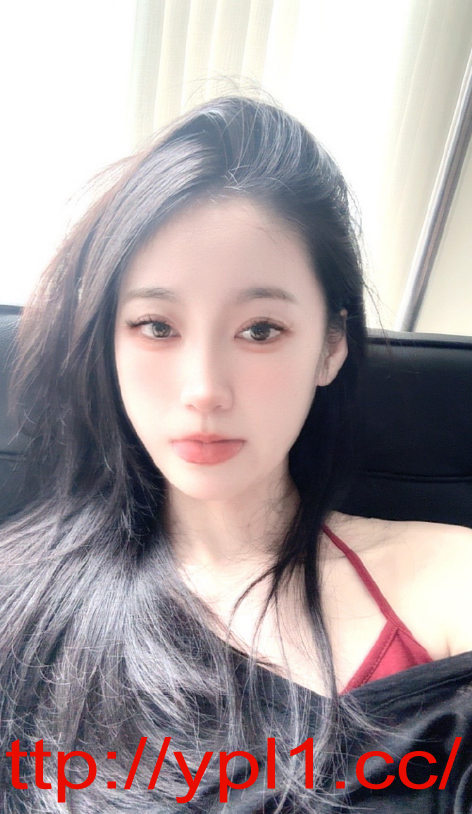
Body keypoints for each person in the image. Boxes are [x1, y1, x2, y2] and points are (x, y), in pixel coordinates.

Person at [1, 96, 472, 814]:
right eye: (156, 326)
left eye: (260, 330)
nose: (204, 390)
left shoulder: (446, 579)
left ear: (332, 345)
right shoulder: (22, 600)